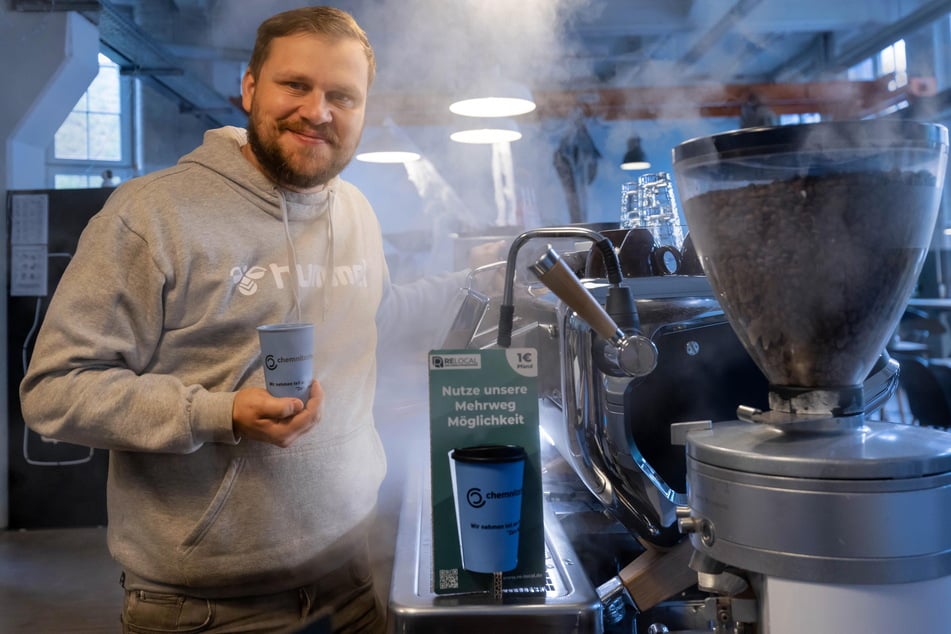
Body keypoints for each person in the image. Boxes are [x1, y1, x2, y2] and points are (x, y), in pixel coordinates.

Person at [18, 7, 459, 633]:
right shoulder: (151, 217)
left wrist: (488, 280)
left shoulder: (356, 210)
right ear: (250, 88)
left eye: (343, 95)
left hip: (355, 583)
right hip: (206, 612)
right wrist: (217, 413)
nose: (318, 111)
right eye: (295, 85)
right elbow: (54, 393)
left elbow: (375, 315)